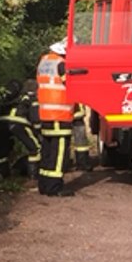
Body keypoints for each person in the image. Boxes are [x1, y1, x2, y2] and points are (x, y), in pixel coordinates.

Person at [36, 39, 74, 196]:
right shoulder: (61, 64)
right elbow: (71, 85)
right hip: (60, 115)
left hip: (45, 114)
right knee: (59, 154)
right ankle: (54, 187)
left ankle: (44, 185)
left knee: (47, 151)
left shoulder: (43, 61)